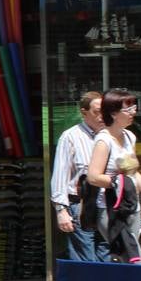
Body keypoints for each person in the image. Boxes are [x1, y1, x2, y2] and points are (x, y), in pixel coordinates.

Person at [86, 89, 141, 260]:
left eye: (134, 107)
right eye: (128, 109)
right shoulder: (104, 141)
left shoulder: (129, 137)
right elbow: (93, 177)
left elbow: (133, 175)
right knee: (133, 258)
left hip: (131, 204)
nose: (133, 112)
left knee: (125, 257)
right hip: (110, 209)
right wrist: (118, 181)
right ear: (113, 113)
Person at [50, 91, 107, 262]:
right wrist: (61, 210)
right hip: (81, 204)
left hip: (106, 204)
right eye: (97, 112)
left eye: (105, 111)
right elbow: (60, 175)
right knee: (85, 259)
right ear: (84, 112)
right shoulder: (71, 137)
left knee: (106, 256)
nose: (101, 116)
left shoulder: (110, 137)